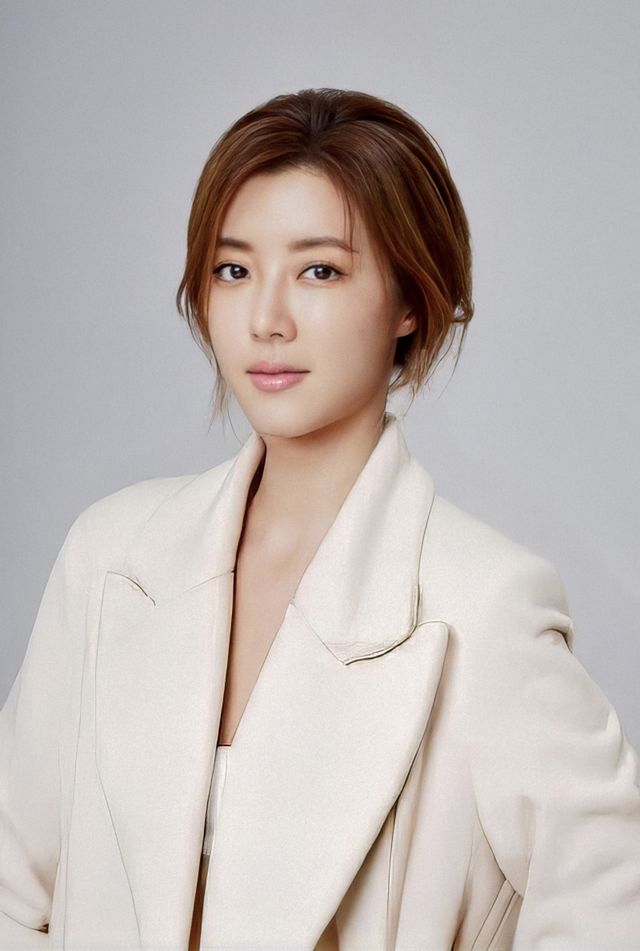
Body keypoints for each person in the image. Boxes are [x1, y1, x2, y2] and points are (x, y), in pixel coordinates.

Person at [1, 87, 638, 951]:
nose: (266, 319)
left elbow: (614, 906)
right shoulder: (112, 559)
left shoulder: (482, 606)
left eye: (320, 271)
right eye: (234, 270)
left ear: (410, 300)